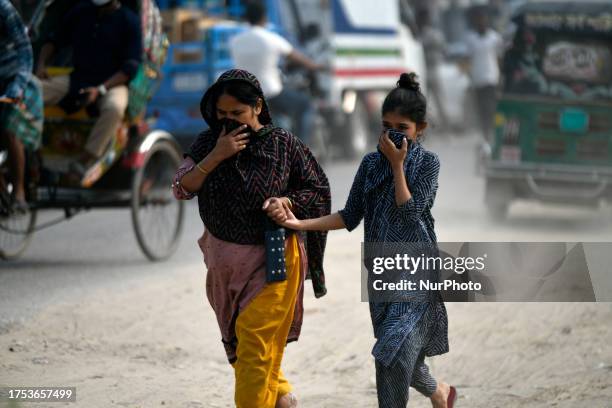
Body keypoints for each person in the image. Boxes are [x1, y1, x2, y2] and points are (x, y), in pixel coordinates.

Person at [274, 73, 457, 408]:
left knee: (391, 352)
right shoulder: (370, 164)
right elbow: (349, 216)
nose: (392, 133)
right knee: (401, 353)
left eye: (402, 127)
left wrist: (398, 167)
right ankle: (440, 391)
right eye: (387, 125)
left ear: (420, 129)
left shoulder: (429, 163)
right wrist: (299, 222)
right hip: (382, 272)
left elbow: (410, 214)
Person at [172, 69, 331, 408]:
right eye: (222, 114)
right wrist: (217, 155)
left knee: (255, 345)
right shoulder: (207, 142)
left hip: (274, 262)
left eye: (237, 114)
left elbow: (317, 189)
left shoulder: (283, 144)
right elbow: (181, 188)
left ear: (257, 106)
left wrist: (286, 202)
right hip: (223, 265)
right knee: (245, 349)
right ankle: (283, 399)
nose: (229, 122)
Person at [35, 0, 142, 177]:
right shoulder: (81, 12)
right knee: (31, 91)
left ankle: (85, 159)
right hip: (78, 78)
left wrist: (100, 89)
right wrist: (41, 65)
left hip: (113, 84)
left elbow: (129, 69)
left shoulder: (129, 21)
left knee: (114, 108)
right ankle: (32, 153)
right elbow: (54, 40)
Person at [229, 1, 323, 146]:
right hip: (270, 93)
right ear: (264, 18)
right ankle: (301, 150)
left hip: (245, 95)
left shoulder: (235, 41)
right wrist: (316, 66)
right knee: (306, 105)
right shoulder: (271, 39)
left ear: (247, 18)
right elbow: (298, 58)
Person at [0, 0, 43, 212]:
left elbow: (25, 50)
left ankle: (18, 190)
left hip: (15, 78)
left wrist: (17, 87)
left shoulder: (4, 9)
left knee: (9, 130)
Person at [465, 6, 503, 157]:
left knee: (491, 109)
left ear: (487, 21)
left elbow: (499, 59)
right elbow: (468, 60)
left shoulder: (495, 38)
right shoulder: (471, 39)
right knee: (481, 110)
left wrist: (501, 79)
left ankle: (491, 135)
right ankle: (485, 136)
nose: (481, 22)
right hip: (478, 80)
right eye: (478, 20)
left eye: (483, 19)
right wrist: (469, 78)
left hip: (492, 79)